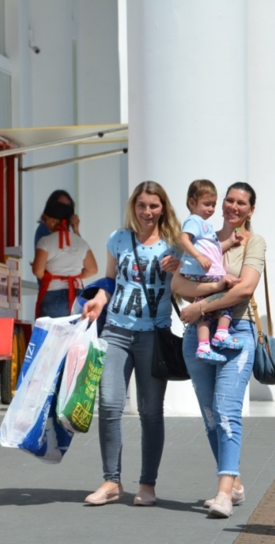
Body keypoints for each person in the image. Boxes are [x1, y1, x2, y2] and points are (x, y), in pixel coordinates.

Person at [81, 181, 181, 507]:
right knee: (109, 405)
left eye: (153, 205)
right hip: (116, 330)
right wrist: (98, 299)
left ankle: (147, 485)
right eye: (141, 205)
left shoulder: (174, 244)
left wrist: (180, 268)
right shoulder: (118, 238)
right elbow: (110, 280)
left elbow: (190, 282)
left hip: (154, 334)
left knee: (150, 412)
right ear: (133, 207)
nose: (147, 211)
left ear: (162, 207)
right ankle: (111, 481)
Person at [172, 182, 263, 519]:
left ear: (251, 210)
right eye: (230, 200)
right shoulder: (202, 235)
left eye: (242, 203)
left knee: (226, 411)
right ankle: (234, 482)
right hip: (198, 337)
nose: (233, 207)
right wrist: (211, 290)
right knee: (211, 417)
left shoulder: (254, 243)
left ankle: (223, 493)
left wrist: (200, 305)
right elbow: (179, 286)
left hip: (236, 333)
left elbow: (245, 289)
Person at [176, 179, 245, 364]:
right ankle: (221, 333)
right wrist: (198, 257)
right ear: (192, 203)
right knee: (227, 294)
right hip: (204, 271)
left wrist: (230, 242)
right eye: (206, 204)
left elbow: (214, 250)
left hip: (206, 270)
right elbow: (183, 239)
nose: (211, 209)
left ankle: (204, 345)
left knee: (205, 306)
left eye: (213, 205)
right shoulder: (194, 221)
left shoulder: (205, 225)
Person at [32, 195, 98, 318]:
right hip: (77, 296)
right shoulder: (81, 242)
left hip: (52, 296)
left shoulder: (45, 241)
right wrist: (72, 276)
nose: (44, 223)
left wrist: (53, 278)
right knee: (74, 336)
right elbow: (93, 269)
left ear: (52, 220)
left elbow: (37, 270)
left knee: (51, 336)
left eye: (45, 219)